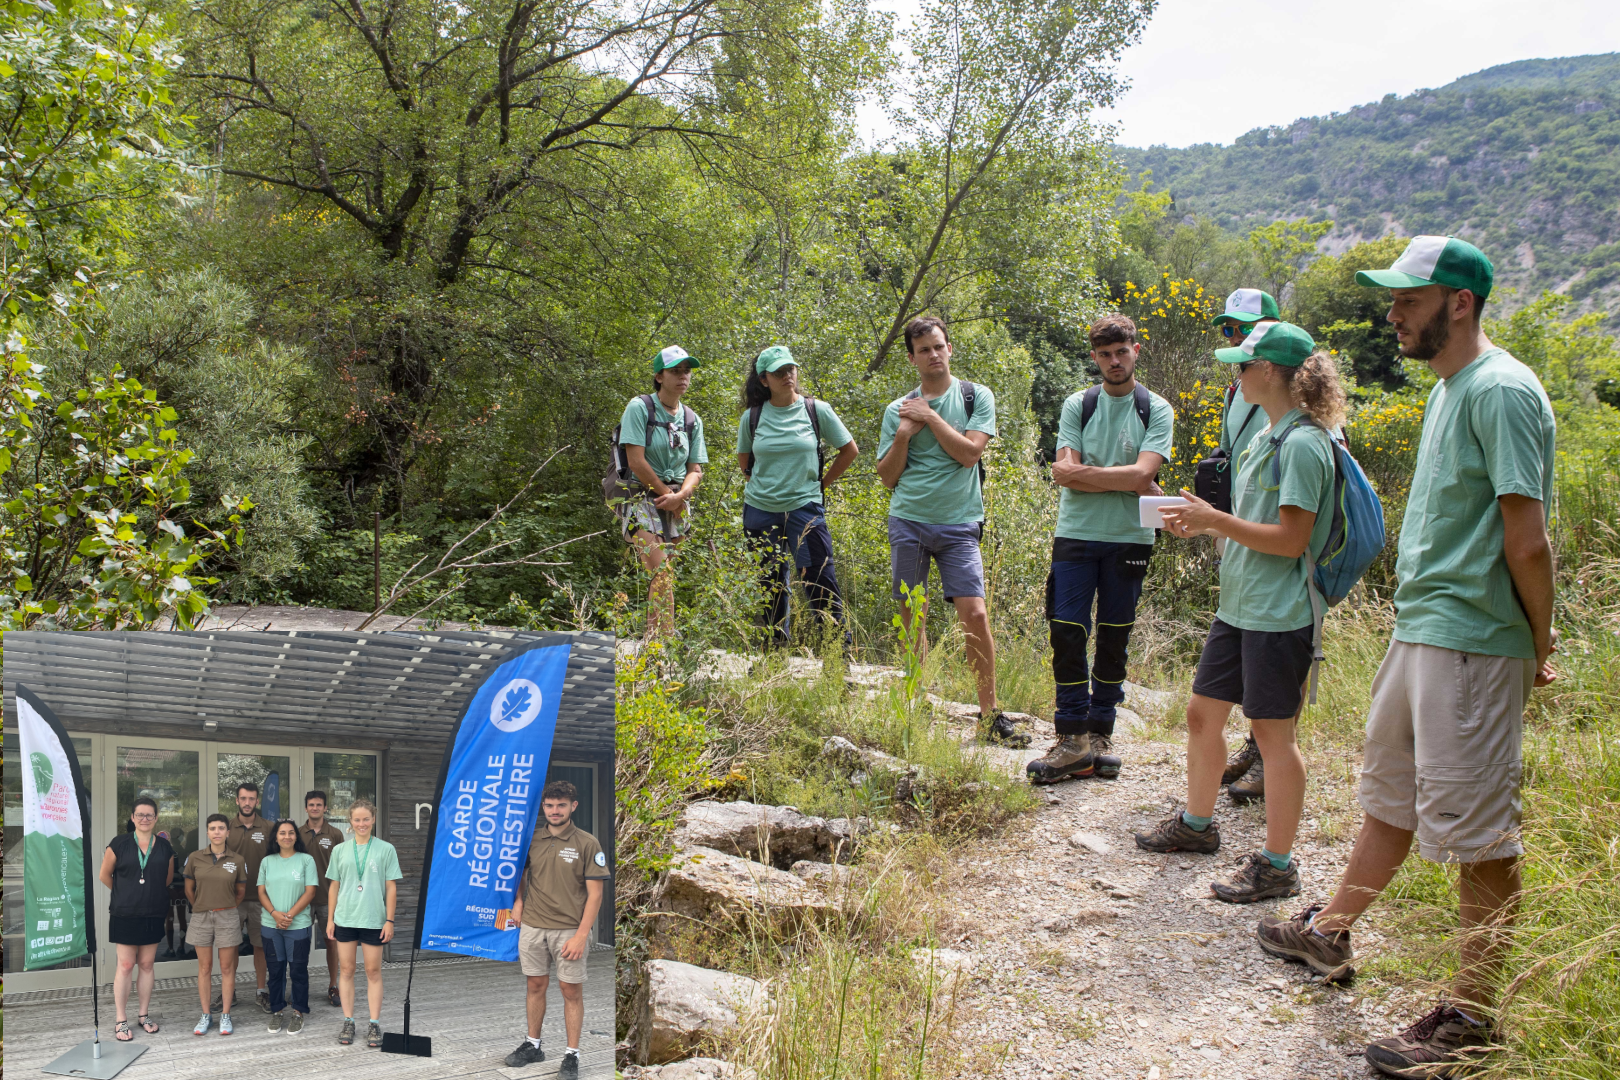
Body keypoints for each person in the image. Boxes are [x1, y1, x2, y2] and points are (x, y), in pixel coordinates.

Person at [1255, 237, 1557, 1079]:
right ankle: (1330, 933)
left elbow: (1526, 540)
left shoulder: (1500, 390)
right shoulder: (1452, 390)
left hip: (1471, 639)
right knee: (1392, 796)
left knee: (1481, 836)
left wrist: (1539, 640)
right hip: (1424, 630)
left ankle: (1471, 1015)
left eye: (1408, 300)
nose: (1392, 314)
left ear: (1458, 303)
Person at [1140, 322, 1343, 907]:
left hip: (1281, 613)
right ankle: (1197, 826)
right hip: (1240, 606)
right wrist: (1201, 517)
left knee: (1272, 737)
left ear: (1273, 372)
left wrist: (1216, 522)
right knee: (1203, 714)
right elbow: (1247, 522)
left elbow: (1290, 540)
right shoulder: (1267, 437)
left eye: (1243, 365)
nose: (1236, 375)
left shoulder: (1305, 445)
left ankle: (1278, 866)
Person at [1026, 314, 1173, 783]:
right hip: (1075, 534)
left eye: (1121, 352)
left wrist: (1088, 475)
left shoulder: (1157, 408)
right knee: (1066, 629)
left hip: (1130, 537)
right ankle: (1072, 737)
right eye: (1105, 354)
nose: (1114, 361)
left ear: (1136, 351)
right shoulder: (1078, 404)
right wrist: (1126, 477)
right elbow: (1064, 471)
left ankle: (1101, 733)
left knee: (1114, 635)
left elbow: (1138, 475)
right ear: (1094, 357)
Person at [876, 316, 1022, 744]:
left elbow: (969, 454)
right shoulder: (896, 410)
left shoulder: (976, 397)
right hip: (908, 520)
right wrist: (904, 433)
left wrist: (930, 417)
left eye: (938, 346)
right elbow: (887, 477)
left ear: (949, 349)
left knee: (974, 614)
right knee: (911, 616)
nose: (933, 355)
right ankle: (913, 705)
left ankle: (989, 713)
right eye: (924, 350)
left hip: (959, 524)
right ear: (912, 358)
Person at [735, 344, 859, 647]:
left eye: (790, 369)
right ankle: (773, 656)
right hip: (761, 511)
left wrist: (820, 485)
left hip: (806, 510)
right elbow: (746, 464)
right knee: (770, 585)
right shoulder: (752, 417)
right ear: (764, 380)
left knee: (820, 581)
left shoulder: (816, 410)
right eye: (778, 372)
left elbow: (849, 450)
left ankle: (838, 660)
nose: (787, 375)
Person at [1211, 289, 1282, 802]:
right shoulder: (1237, 392)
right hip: (1237, 526)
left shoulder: (1296, 394)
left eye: (1244, 330)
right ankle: (1255, 742)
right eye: (1228, 330)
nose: (1234, 338)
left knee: (1276, 644)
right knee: (1244, 638)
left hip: (1277, 534)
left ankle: (1271, 754)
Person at [503, 781, 610, 1078]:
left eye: (561, 805)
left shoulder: (588, 843)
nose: (554, 811)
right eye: (549, 805)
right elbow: (522, 875)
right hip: (534, 927)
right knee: (535, 986)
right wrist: (519, 902)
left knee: (570, 991)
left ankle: (572, 1054)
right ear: (543, 807)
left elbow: (596, 895)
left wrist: (580, 935)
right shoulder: (532, 840)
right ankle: (533, 1045)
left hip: (569, 931)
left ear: (573, 807)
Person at [619, 346, 707, 640]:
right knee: (662, 572)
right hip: (640, 498)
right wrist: (666, 496)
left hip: (677, 502)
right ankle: (665, 644)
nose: (683, 377)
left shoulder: (692, 419)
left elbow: (695, 469)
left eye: (687, 371)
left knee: (662, 576)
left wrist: (680, 498)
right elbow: (635, 461)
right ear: (659, 376)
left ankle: (652, 644)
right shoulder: (639, 407)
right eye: (675, 371)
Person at [326, 798, 402, 1048]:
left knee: (373, 972)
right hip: (345, 918)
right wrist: (330, 918)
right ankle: (348, 1020)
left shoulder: (385, 849)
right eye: (357, 819)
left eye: (366, 819)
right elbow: (334, 886)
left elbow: (391, 887)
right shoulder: (339, 850)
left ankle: (374, 1023)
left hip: (373, 918)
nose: (361, 823)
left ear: (373, 820)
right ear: (350, 821)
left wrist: (389, 920)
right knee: (346, 971)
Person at [100, 795, 176, 1041]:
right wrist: (126, 893)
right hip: (125, 913)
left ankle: (143, 1015)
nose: (145, 819)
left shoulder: (165, 848)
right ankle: (121, 1020)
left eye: (149, 815)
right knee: (125, 965)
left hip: (153, 913)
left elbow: (166, 879)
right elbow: (104, 875)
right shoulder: (119, 844)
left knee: (146, 965)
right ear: (132, 818)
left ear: (156, 818)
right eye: (140, 815)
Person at [184, 813, 247, 1036]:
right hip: (201, 916)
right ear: (207, 832)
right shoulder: (195, 857)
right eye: (213, 828)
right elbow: (189, 889)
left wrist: (226, 905)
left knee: (228, 967)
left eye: (221, 828)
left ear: (228, 832)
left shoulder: (237, 860)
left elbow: (240, 892)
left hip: (228, 916)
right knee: (204, 968)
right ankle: (205, 1015)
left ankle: (226, 1015)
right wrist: (202, 905)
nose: (217, 832)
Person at [259, 819, 320, 1034]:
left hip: (298, 925)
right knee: (275, 971)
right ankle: (277, 1011)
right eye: (282, 833)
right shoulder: (267, 861)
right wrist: (275, 915)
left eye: (291, 833)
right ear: (275, 837)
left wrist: (290, 915)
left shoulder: (306, 860)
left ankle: (298, 1012)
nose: (287, 836)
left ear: (296, 836)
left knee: (298, 971)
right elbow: (261, 892)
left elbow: (310, 891)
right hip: (270, 925)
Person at [224, 781, 274, 1012]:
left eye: (251, 799)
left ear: (256, 801)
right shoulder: (225, 827)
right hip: (231, 899)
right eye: (243, 798)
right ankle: (229, 991)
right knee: (230, 946)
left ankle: (261, 991)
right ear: (237, 800)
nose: (247, 803)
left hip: (261, 898)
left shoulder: (269, 828)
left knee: (260, 946)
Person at [300, 789, 346, 1007]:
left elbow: (343, 868)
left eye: (319, 805)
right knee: (299, 944)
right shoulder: (297, 834)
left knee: (332, 942)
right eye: (311, 805)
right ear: (306, 807)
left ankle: (333, 985)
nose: (315, 808)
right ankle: (301, 985)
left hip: (329, 898)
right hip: (302, 899)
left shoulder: (335, 834)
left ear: (325, 808)